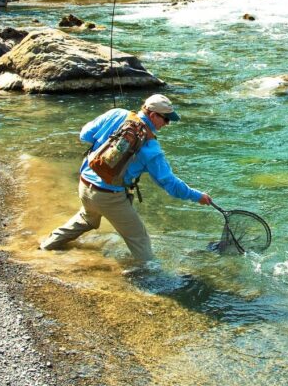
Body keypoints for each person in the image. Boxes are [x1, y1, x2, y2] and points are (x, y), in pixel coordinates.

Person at [40, 94, 212, 262]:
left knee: (86, 219)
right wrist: (198, 196)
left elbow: (84, 135)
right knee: (140, 239)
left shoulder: (116, 113)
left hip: (85, 184)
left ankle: (45, 247)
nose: (167, 124)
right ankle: (151, 278)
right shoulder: (151, 148)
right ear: (152, 115)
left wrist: (107, 143)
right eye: (166, 119)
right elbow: (169, 183)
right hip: (109, 197)